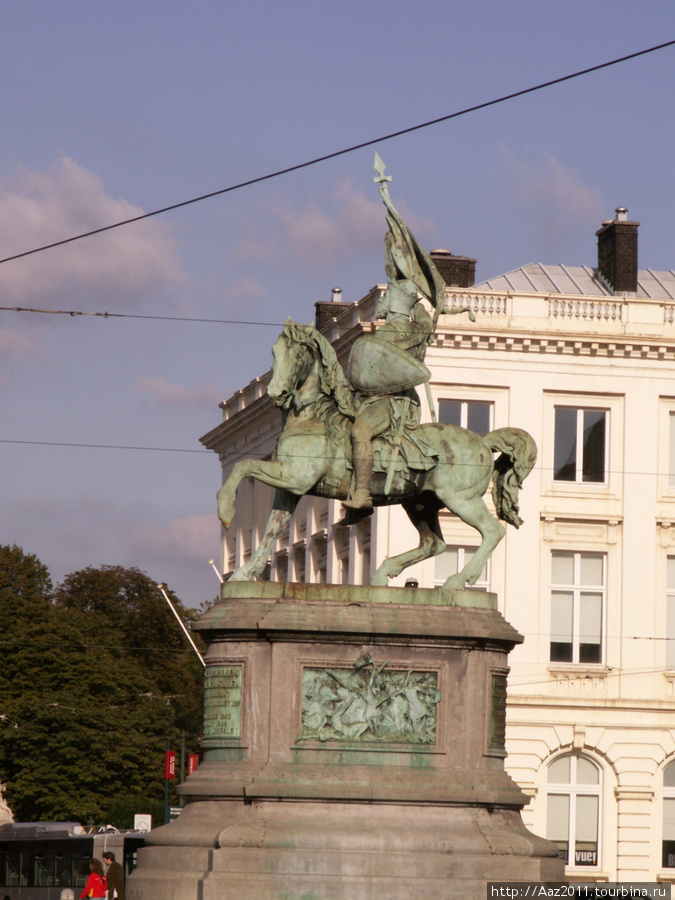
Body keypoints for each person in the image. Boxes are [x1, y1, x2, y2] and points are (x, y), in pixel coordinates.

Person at [344, 155, 446, 510]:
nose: (392, 260)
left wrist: (391, 207)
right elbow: (394, 250)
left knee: (359, 433)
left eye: (397, 254)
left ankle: (361, 495)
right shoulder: (386, 312)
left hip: (395, 402)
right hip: (369, 397)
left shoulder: (415, 316)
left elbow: (420, 340)